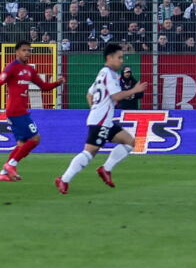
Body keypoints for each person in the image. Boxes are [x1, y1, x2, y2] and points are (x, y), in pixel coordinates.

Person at [54, 44, 147, 194]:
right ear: (109, 58)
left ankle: (106, 169)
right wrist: (134, 90)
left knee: (130, 142)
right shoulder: (109, 74)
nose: (121, 61)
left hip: (104, 120)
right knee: (89, 153)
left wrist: (96, 108)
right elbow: (116, 96)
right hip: (101, 121)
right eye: (119, 57)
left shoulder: (103, 74)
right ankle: (64, 179)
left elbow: (89, 94)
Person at [0, 37, 64, 182]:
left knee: (22, 145)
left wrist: (57, 83)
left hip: (21, 111)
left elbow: (44, 87)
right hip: (16, 111)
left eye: (29, 50)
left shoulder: (29, 70)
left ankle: (3, 173)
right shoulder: (11, 67)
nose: (27, 53)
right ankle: (11, 164)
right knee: (36, 138)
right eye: (24, 50)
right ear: (17, 52)